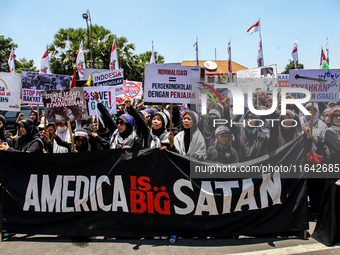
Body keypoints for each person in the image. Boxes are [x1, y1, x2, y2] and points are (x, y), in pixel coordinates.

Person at [312, 105, 340, 245]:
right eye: (335, 116)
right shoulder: (329, 132)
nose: (338, 118)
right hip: (335, 172)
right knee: (333, 203)